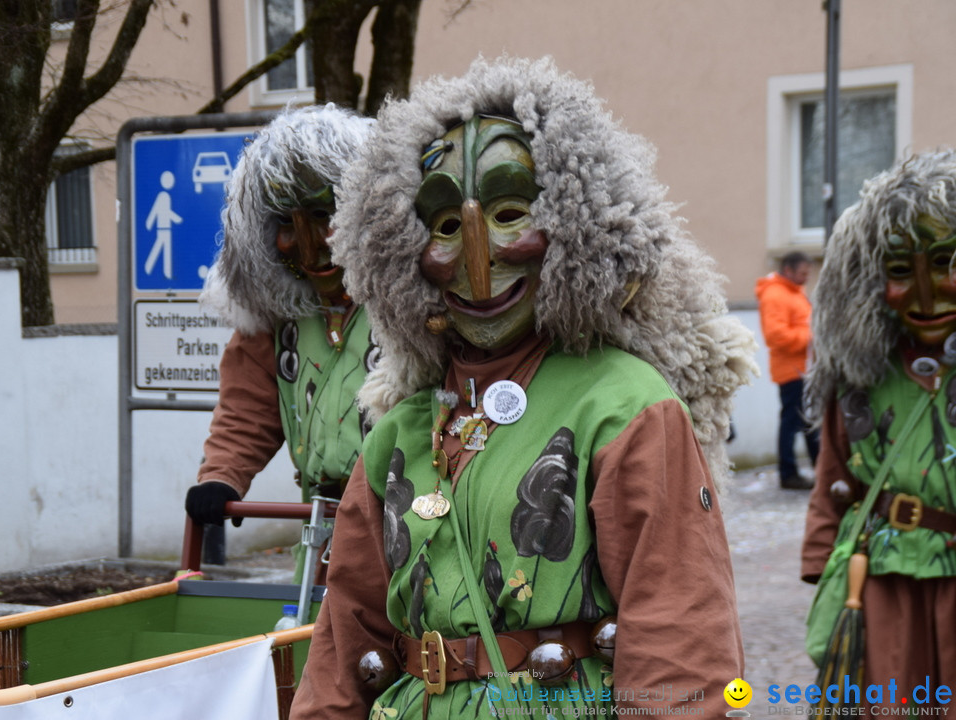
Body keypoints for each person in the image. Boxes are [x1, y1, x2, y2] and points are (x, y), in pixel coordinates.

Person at [289, 57, 755, 719]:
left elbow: (680, 633)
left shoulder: (625, 406)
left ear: (575, 224)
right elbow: (344, 640)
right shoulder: (397, 429)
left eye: (511, 213)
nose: (480, 260)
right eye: (446, 226)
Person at [185, 105, 377, 578]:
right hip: (320, 538)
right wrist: (222, 476)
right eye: (287, 225)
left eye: (323, 214)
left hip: (410, 532)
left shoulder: (414, 305)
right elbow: (250, 402)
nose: (308, 245)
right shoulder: (278, 315)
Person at [801, 150, 956, 710]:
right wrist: (822, 564)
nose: (926, 292)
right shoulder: (858, 376)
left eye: (944, 262)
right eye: (899, 271)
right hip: (881, 582)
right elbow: (833, 477)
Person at [756, 251, 820, 489]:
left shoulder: (792, 291)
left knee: (808, 421)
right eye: (803, 273)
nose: (806, 278)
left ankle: (820, 469)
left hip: (804, 368)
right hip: (792, 370)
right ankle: (788, 473)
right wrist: (812, 336)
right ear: (789, 270)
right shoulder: (776, 294)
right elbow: (775, 336)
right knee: (792, 422)